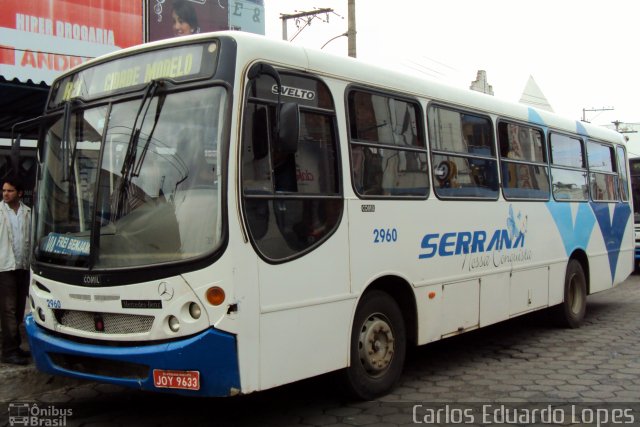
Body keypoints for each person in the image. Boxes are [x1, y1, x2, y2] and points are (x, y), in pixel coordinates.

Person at [0, 178, 31, 365]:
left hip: (23, 266)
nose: (5, 194)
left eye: (10, 191)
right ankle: (8, 350)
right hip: (5, 267)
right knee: (8, 310)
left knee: (19, 308)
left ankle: (15, 346)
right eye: (4, 190)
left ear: (19, 193)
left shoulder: (28, 212)